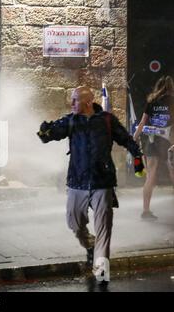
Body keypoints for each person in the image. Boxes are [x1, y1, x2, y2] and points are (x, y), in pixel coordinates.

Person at [37, 86, 144, 282]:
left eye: (75, 100)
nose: (72, 104)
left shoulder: (106, 120)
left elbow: (126, 139)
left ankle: (101, 272)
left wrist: (137, 156)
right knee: (75, 223)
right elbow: (50, 135)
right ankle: (89, 245)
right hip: (77, 182)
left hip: (102, 182)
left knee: (104, 228)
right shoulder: (70, 121)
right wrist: (44, 131)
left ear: (87, 102)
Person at [133, 75, 174, 220]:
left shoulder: (151, 101)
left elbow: (143, 122)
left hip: (151, 140)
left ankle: (146, 211)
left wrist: (134, 138)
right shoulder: (172, 100)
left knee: (150, 175)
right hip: (168, 141)